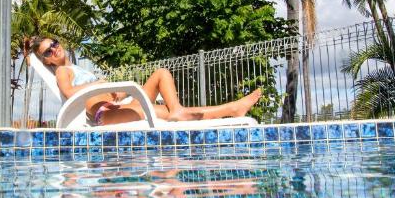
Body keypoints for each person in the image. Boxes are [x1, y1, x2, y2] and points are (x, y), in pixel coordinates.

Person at [33, 36, 262, 126]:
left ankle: (230, 108)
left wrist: (118, 92)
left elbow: (100, 92)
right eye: (47, 52)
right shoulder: (62, 71)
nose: (54, 50)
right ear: (47, 62)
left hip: (119, 105)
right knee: (158, 109)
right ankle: (231, 109)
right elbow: (71, 93)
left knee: (161, 73)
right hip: (106, 115)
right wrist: (100, 84)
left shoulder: (74, 67)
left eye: (53, 44)